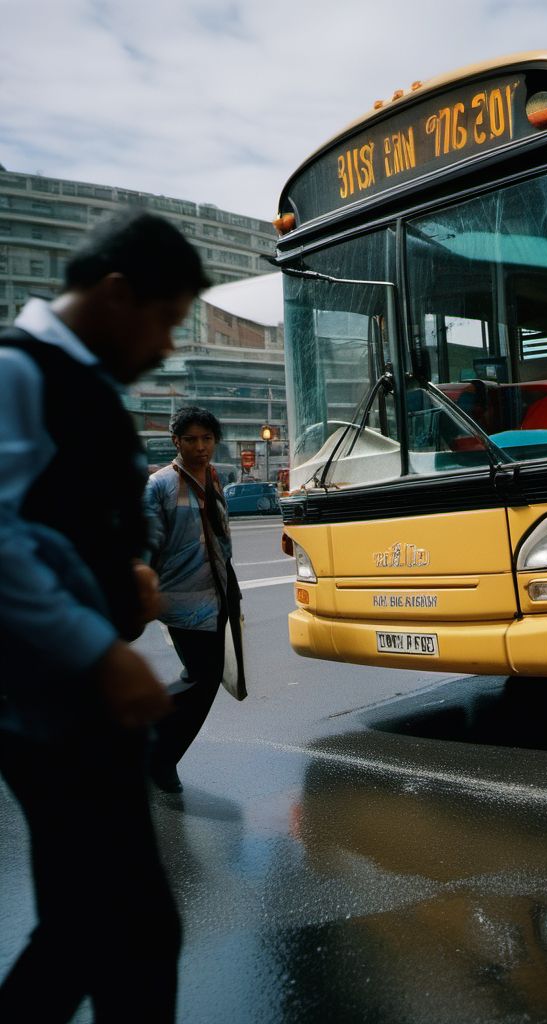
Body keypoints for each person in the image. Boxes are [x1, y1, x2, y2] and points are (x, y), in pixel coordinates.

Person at [0, 208, 209, 1023]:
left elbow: (58, 512)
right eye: (166, 320)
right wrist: (98, 647)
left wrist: (123, 574)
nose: (166, 346)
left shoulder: (75, 379)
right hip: (49, 706)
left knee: (105, 927)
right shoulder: (19, 371)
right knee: (122, 929)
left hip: (69, 703)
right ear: (118, 294)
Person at [144, 406, 244, 794]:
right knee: (200, 678)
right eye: (191, 440)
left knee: (205, 679)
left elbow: (221, 538)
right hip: (181, 599)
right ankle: (158, 751)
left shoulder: (214, 478)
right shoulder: (160, 485)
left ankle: (159, 750)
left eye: (207, 439)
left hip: (217, 592)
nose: (201, 447)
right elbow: (148, 543)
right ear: (176, 442)